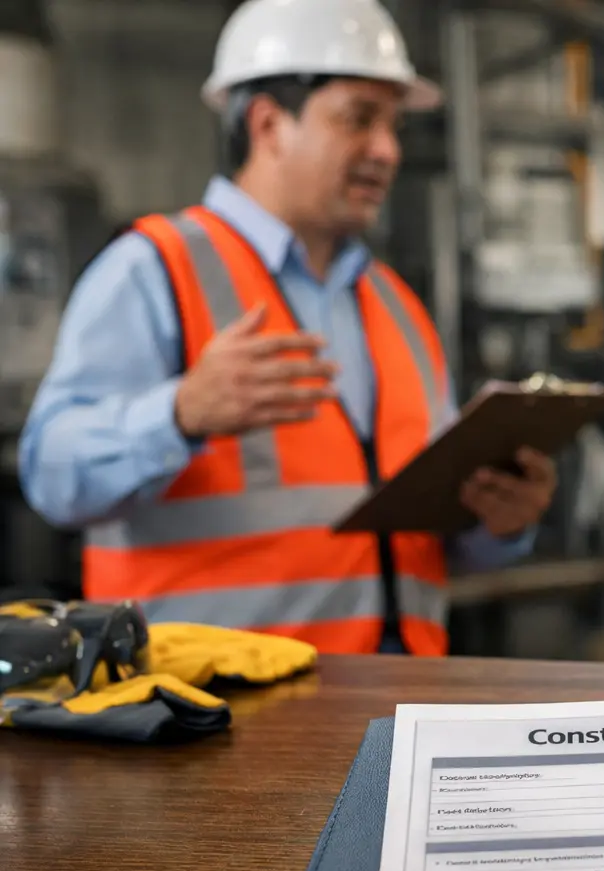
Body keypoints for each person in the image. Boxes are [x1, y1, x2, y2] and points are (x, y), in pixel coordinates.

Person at [18, 0, 557, 656]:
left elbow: (418, 548)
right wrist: (180, 414)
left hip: (398, 710)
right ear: (269, 123)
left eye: (393, 123)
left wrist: (497, 521)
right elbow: (50, 474)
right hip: (212, 723)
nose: (387, 149)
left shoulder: (397, 307)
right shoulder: (153, 269)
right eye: (359, 118)